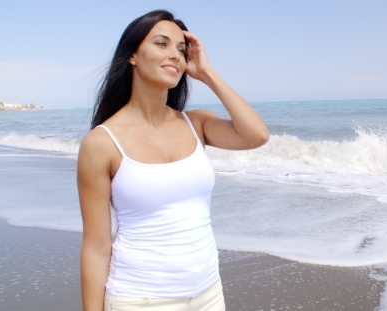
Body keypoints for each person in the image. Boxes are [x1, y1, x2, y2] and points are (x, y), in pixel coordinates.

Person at [77, 10, 269, 311]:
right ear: (132, 56)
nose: (175, 55)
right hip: (140, 300)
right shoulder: (102, 143)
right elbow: (97, 247)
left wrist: (207, 73)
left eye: (181, 49)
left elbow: (256, 135)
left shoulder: (197, 124)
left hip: (208, 294)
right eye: (161, 44)